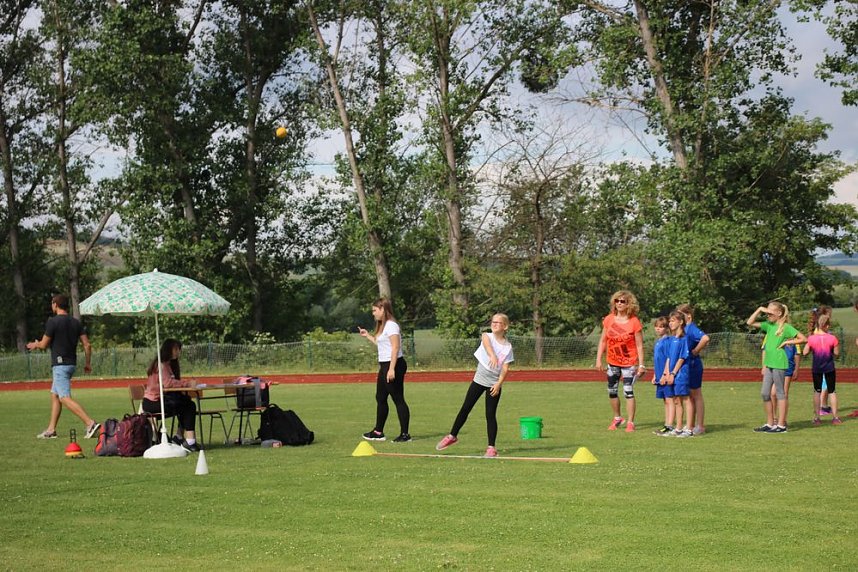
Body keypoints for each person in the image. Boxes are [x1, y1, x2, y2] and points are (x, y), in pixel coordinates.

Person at [436, 313, 515, 457]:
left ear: (505, 326)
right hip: (479, 379)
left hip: (494, 383)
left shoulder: (507, 347)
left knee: (490, 415)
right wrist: (491, 355)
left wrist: (498, 384)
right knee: (466, 408)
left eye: (498, 322)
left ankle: (491, 448)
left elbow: (505, 367)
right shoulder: (487, 336)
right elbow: (486, 344)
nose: (495, 324)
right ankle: (452, 436)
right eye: (493, 322)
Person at [27, 294, 100, 439]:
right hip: (71, 364)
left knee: (64, 397)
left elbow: (43, 344)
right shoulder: (76, 322)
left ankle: (90, 423)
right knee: (55, 395)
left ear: (55, 304)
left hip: (60, 365)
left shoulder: (53, 322)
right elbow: (87, 344)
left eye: (51, 304)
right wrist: (87, 363)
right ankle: (51, 430)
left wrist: (34, 344)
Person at [746, 302, 806, 433]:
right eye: (766, 312)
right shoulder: (769, 326)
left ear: (779, 313)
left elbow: (803, 339)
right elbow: (749, 322)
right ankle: (770, 423)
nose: (767, 314)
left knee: (780, 393)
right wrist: (759, 309)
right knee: (765, 393)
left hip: (779, 363)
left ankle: (781, 425)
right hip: (769, 364)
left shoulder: (786, 327)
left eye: (770, 312)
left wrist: (787, 341)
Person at [358, 297, 411, 442]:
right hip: (385, 365)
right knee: (380, 397)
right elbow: (381, 344)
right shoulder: (383, 326)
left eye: (375, 310)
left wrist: (392, 369)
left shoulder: (392, 325)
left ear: (383, 309)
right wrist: (367, 335)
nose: (373, 313)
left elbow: (395, 347)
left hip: (394, 365)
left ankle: (405, 435)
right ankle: (378, 432)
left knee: (398, 399)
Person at [595, 290, 645, 432]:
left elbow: (640, 345)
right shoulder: (609, 319)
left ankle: (630, 422)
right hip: (612, 361)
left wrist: (641, 365)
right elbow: (603, 340)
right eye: (617, 301)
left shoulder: (634, 322)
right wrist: (598, 359)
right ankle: (617, 417)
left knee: (628, 391)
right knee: (612, 390)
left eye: (622, 301)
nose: (619, 304)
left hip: (629, 362)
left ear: (629, 303)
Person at [142, 338, 200, 451]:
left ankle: (180, 438)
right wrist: (187, 383)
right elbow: (168, 383)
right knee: (188, 405)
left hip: (161, 400)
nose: (178, 352)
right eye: (176, 349)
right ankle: (188, 440)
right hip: (153, 403)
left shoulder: (167, 365)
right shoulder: (161, 365)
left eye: (179, 349)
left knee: (186, 402)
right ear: (168, 350)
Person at [676, 304, 710, 435]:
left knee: (696, 395)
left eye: (681, 314)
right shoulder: (685, 329)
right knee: (689, 395)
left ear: (688, 316)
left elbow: (705, 338)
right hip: (687, 365)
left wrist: (696, 350)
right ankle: (690, 424)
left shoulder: (691, 328)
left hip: (694, 365)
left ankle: (700, 425)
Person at [802, 315, 841, 425]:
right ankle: (835, 418)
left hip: (817, 368)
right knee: (832, 391)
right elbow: (837, 354)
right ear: (827, 325)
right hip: (829, 367)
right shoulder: (832, 338)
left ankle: (817, 418)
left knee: (817, 391)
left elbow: (804, 352)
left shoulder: (811, 338)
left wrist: (811, 348)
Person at [664, 311, 693, 438]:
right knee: (676, 400)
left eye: (673, 321)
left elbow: (682, 358)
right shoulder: (672, 339)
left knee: (686, 399)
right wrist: (666, 373)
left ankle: (689, 429)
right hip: (672, 374)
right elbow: (669, 358)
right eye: (669, 321)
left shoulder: (684, 338)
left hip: (681, 374)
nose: (670, 323)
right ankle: (678, 428)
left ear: (681, 322)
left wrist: (673, 373)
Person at [651, 316, 676, 436]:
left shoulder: (668, 341)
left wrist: (665, 374)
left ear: (666, 328)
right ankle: (666, 424)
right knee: (665, 400)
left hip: (665, 376)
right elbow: (657, 360)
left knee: (670, 399)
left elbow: (668, 359)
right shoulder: (658, 342)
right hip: (659, 375)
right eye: (657, 326)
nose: (658, 329)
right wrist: (655, 375)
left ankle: (670, 426)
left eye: (661, 327)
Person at [808, 306, 833, 415]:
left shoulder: (816, 330)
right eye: (829, 315)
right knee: (824, 385)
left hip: (819, 361)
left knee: (823, 385)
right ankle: (822, 407)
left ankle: (824, 406)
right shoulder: (819, 332)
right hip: (823, 361)